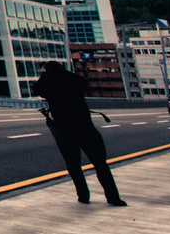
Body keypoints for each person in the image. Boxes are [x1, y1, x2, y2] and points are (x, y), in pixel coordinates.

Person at [32, 61, 126, 206]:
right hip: (86, 127)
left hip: (65, 131)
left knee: (74, 166)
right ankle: (113, 197)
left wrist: (46, 75)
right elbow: (83, 83)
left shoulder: (48, 83)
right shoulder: (74, 80)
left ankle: (83, 196)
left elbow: (37, 89)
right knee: (101, 164)